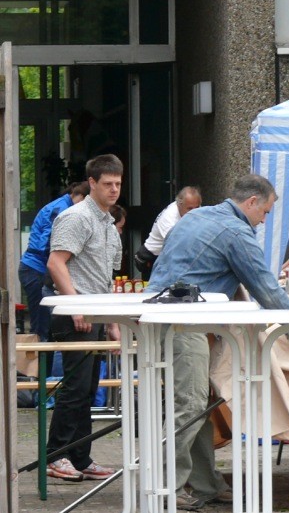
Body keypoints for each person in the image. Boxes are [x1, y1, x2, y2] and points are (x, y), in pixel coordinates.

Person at [147, 175, 289, 511]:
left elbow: (230, 278)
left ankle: (205, 484)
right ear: (252, 202)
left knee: (199, 401)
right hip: (183, 321)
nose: (264, 220)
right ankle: (166, 487)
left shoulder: (198, 216)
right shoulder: (236, 231)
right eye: (266, 212)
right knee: (189, 403)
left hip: (163, 316)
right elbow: (265, 286)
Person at [44, 156, 123, 482]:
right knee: (75, 388)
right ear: (91, 183)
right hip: (74, 314)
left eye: (118, 183)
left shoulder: (109, 224)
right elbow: (55, 263)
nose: (114, 189)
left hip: (96, 314)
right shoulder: (76, 217)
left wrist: (114, 323)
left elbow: (107, 279)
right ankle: (55, 456)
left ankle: (80, 457)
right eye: (107, 184)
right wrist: (75, 306)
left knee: (88, 389)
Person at [18, 181, 89, 346]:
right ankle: (37, 360)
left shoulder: (62, 206)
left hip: (36, 268)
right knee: (41, 327)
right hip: (36, 269)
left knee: (47, 326)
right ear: (80, 197)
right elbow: (48, 243)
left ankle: (43, 358)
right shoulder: (62, 209)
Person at [134, 185, 202, 277]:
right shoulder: (168, 218)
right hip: (151, 257)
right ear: (179, 204)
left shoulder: (193, 209)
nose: (194, 212)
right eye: (189, 208)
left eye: (197, 208)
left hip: (168, 255)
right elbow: (178, 247)